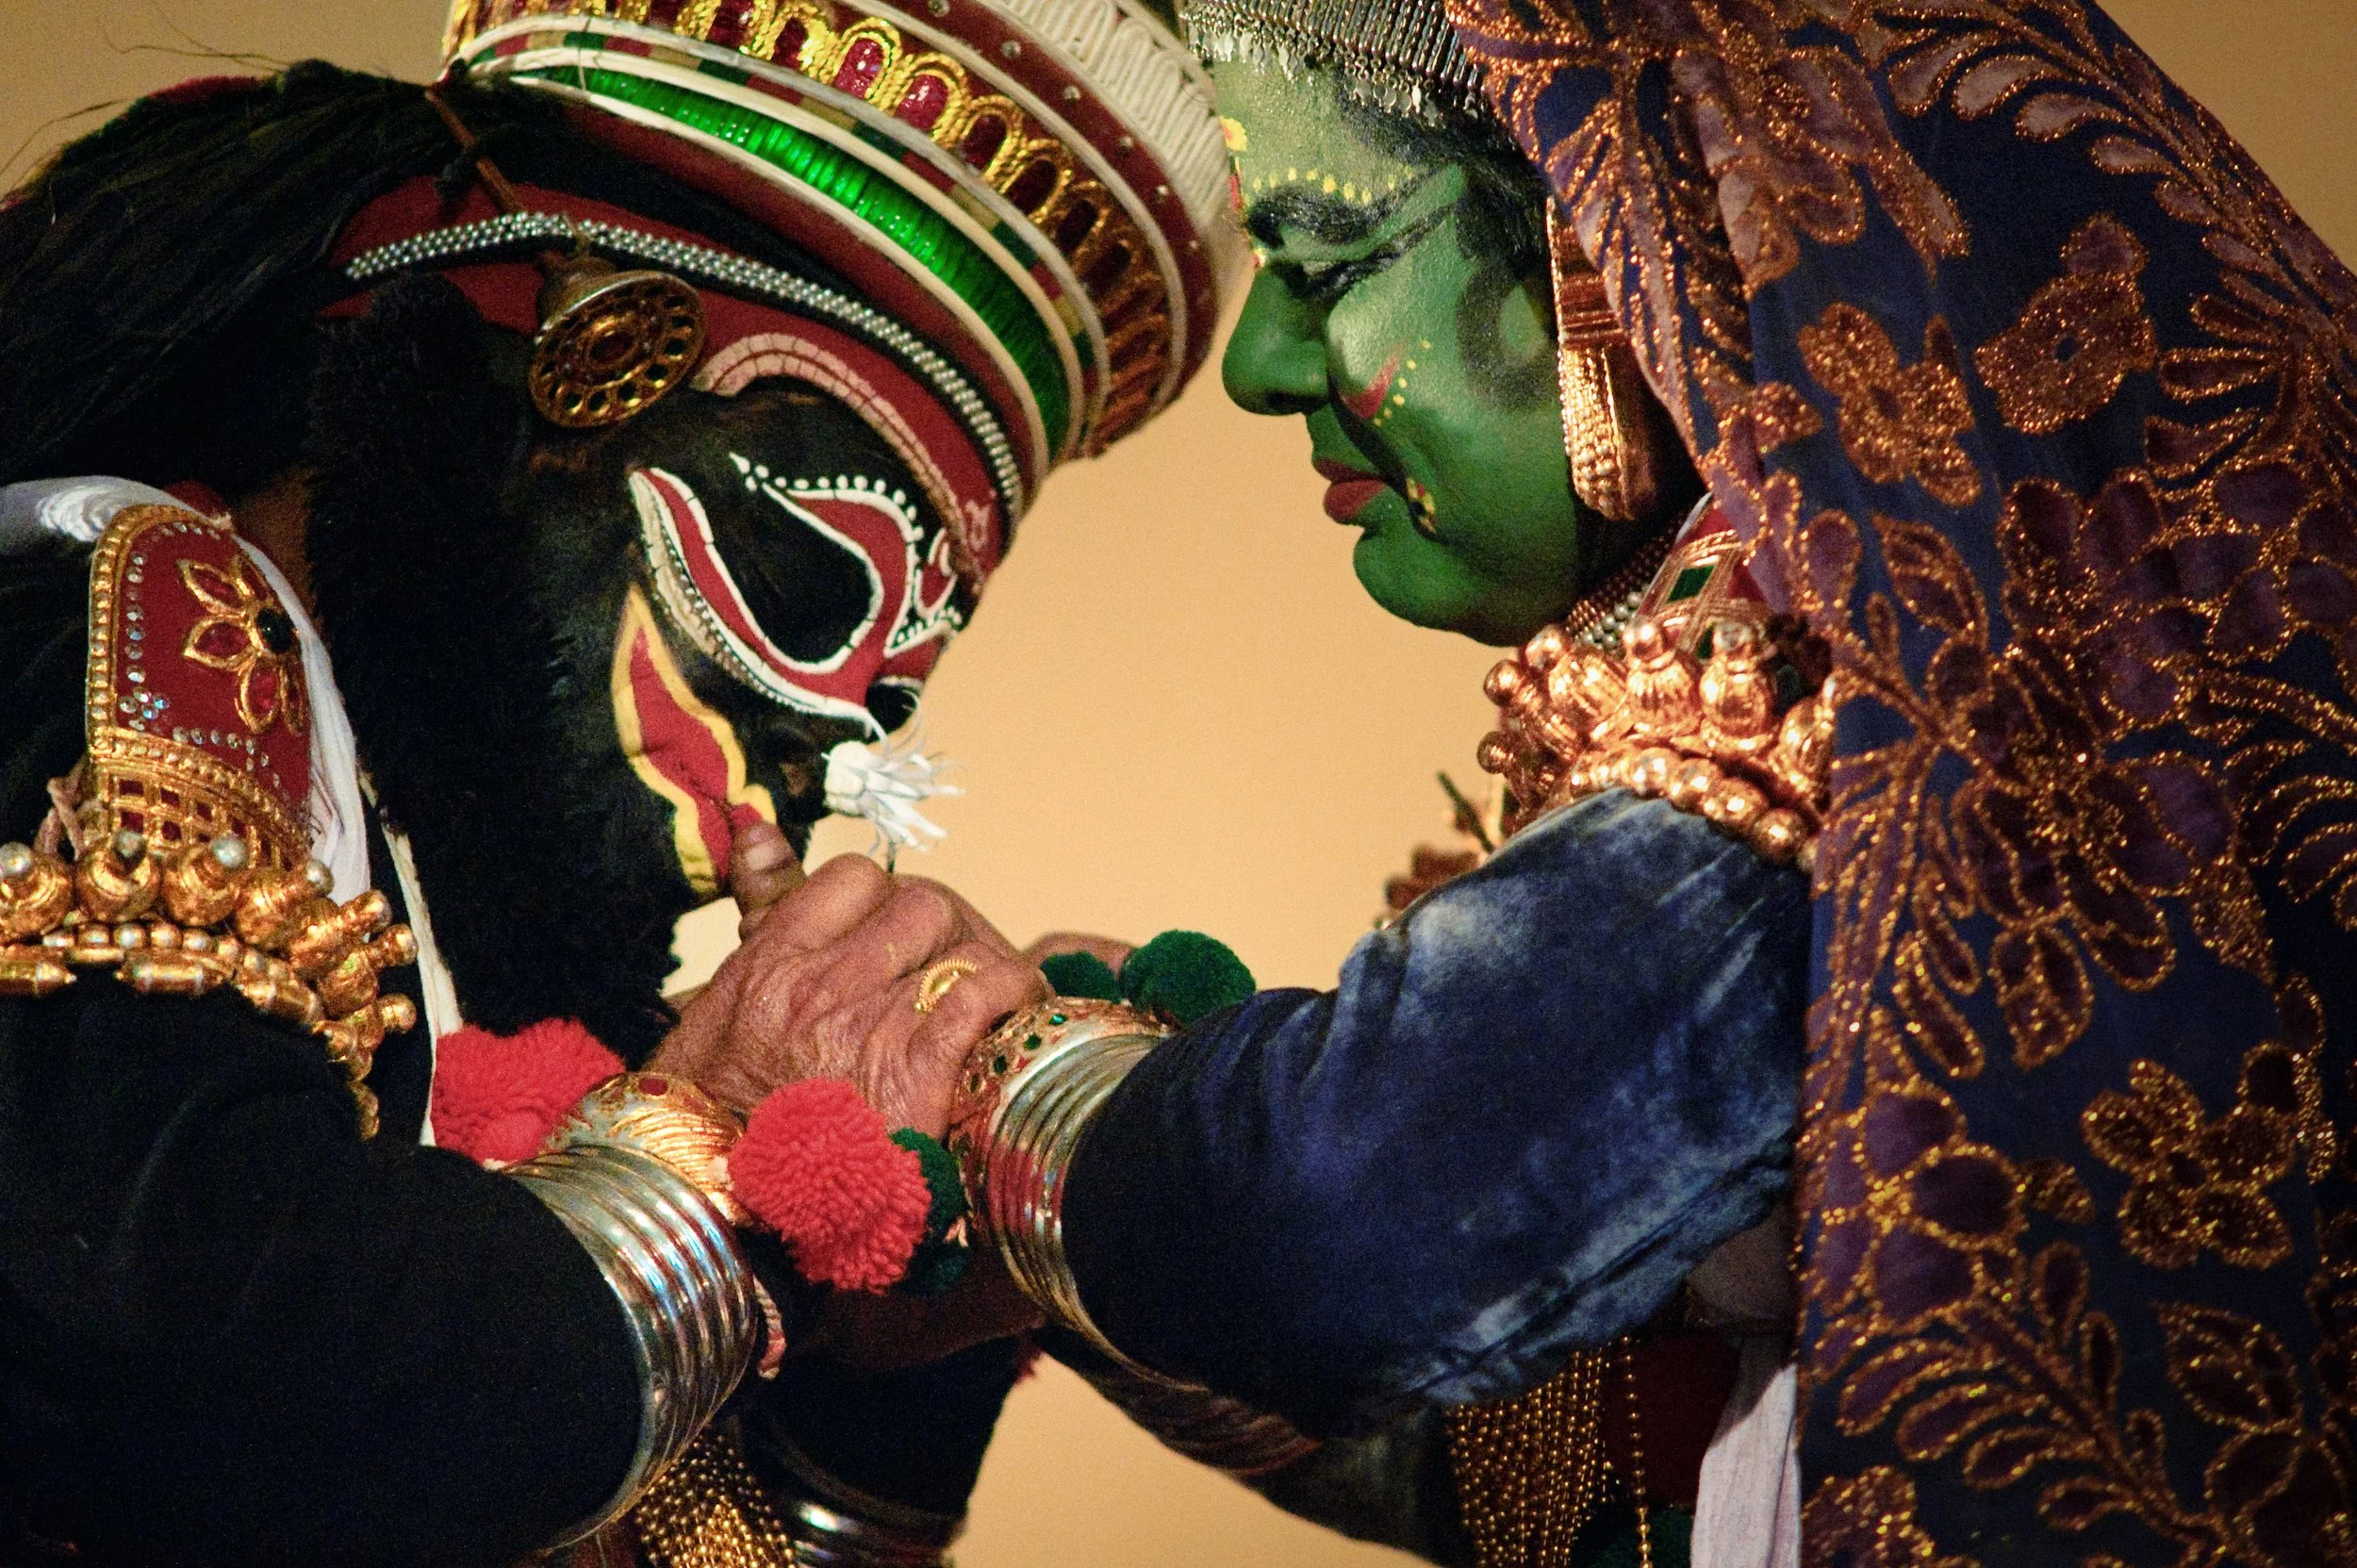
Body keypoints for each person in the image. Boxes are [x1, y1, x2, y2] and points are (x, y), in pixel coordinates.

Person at [696, 0, 2357, 1563]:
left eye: (1329, 256)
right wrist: (1061, 1205)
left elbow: (1349, 1218)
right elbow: (1584, 1477)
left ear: (1623, 248)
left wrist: (975, 1070)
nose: (1262, 362)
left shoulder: (1893, 667)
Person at [0, 0, 1242, 1559]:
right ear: (579, 366)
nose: (798, 784)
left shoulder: (401, 905)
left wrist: (873, 1362)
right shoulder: (147, 620)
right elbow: (172, 1360)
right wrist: (702, 1153)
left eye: (880, 705)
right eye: (803, 598)